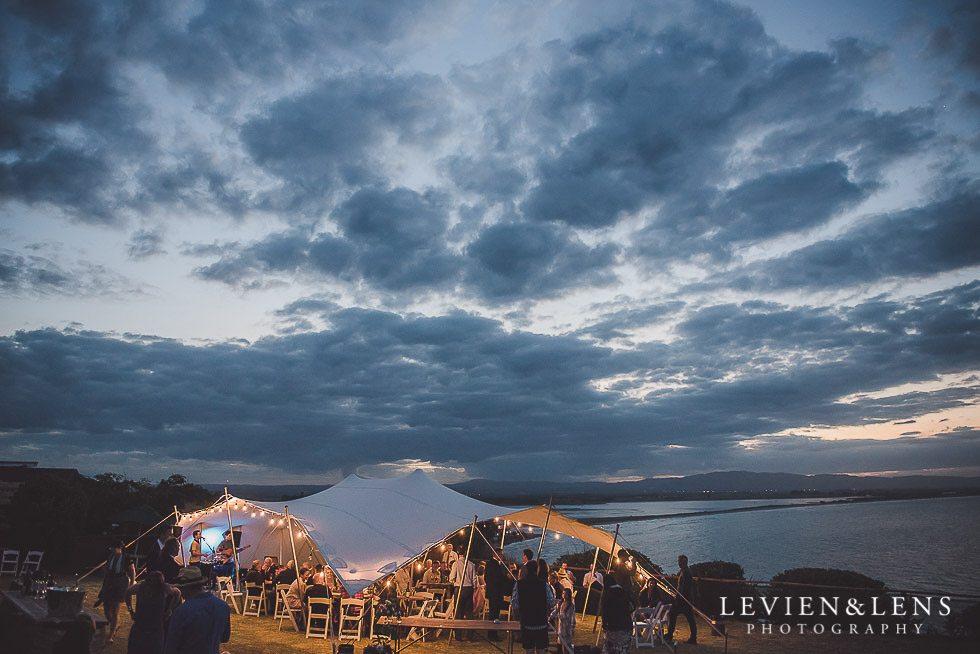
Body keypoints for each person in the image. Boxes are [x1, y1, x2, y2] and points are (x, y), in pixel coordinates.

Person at [164, 566, 231, 654]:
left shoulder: (182, 611)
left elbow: (171, 645)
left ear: (184, 588)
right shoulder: (222, 606)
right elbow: (225, 638)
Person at [125, 570, 181, 654]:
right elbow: (127, 592)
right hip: (139, 627)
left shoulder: (165, 588)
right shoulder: (140, 587)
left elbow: (178, 593)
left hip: (156, 629)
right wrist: (130, 610)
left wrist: (170, 609)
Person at [512, 560, 554, 654]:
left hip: (527, 622)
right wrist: (547, 612)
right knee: (541, 650)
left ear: (526, 570)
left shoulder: (519, 584)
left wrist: (520, 614)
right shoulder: (544, 584)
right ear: (537, 569)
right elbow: (551, 602)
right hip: (541, 622)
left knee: (529, 650)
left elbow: (515, 603)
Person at [99, 541, 135, 643]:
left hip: (121, 584)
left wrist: (132, 583)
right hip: (109, 582)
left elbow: (132, 571)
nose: (113, 550)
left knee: (115, 609)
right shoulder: (110, 557)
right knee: (106, 608)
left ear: (120, 548)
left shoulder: (126, 558)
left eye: (114, 548)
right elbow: (106, 571)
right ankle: (114, 624)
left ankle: (111, 634)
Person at [665, 555, 697, 645]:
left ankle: (670, 634)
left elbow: (684, 588)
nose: (678, 563)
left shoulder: (686, 572)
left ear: (684, 562)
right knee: (689, 618)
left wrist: (678, 597)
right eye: (678, 561)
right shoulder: (685, 571)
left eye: (680, 561)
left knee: (674, 614)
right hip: (684, 599)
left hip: (684, 600)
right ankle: (692, 637)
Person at [599, 569, 633, 654]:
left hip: (614, 627)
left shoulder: (607, 594)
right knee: (623, 650)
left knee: (610, 650)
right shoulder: (623, 591)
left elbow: (605, 611)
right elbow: (633, 605)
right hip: (627, 626)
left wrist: (604, 624)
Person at [449, 551, 477, 640]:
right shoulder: (471, 564)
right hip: (469, 588)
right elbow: (474, 579)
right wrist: (474, 587)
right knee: (469, 612)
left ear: (457, 552)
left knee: (458, 612)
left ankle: (458, 635)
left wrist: (453, 582)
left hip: (459, 588)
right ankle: (470, 635)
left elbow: (451, 577)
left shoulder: (456, 564)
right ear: (466, 552)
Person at [483, 548, 509, 641]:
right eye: (501, 554)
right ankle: (492, 634)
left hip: (492, 592)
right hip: (496, 593)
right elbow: (497, 579)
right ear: (496, 554)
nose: (502, 556)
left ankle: (492, 633)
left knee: (493, 614)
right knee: (494, 615)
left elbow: (486, 578)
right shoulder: (494, 565)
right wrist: (506, 578)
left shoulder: (489, 564)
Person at [553, 586, 576, 654]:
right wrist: (551, 616)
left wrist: (572, 626)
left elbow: (572, 616)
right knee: (562, 643)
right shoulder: (560, 603)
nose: (564, 595)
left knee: (567, 644)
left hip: (567, 627)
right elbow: (555, 611)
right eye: (563, 593)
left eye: (565, 593)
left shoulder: (571, 605)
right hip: (561, 627)